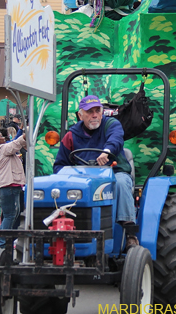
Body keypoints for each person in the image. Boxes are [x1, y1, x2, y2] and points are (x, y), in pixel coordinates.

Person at [53, 95, 138, 248]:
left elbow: (116, 139)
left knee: (121, 182)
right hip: (84, 179)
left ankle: (129, 231)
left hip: (114, 172)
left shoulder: (111, 125)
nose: (94, 115)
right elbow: (60, 166)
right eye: (89, 111)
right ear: (80, 115)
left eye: (97, 110)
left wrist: (107, 151)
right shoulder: (71, 136)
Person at [0, 129, 26, 248]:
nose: (4, 137)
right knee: (10, 215)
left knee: (10, 214)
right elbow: (17, 142)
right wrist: (26, 132)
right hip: (7, 186)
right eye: (1, 137)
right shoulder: (2, 149)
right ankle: (2, 244)